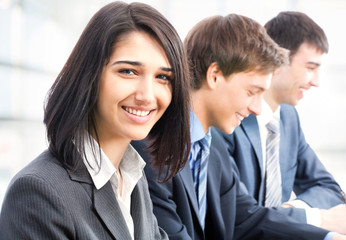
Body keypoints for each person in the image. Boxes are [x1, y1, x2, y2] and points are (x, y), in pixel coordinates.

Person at [132, 13, 346, 240]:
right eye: (251, 92)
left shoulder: (213, 150)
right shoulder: (151, 149)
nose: (257, 109)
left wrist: (328, 237)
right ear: (214, 75)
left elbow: (245, 218)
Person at [0, 2, 191, 239]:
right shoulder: (37, 192)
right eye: (128, 71)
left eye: (163, 77)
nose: (147, 95)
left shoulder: (132, 177)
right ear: (89, 76)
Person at [220, 11, 346, 228]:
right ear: (278, 59)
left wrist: (288, 211)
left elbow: (328, 188)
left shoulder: (287, 117)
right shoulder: (230, 119)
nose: (315, 81)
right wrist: (315, 218)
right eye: (310, 68)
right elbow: (238, 215)